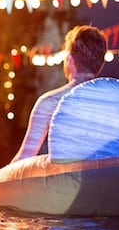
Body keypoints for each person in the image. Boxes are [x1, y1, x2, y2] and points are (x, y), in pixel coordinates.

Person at [11, 25, 107, 162]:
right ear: (100, 64)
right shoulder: (112, 103)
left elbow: (24, 158)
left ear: (70, 60)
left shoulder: (51, 102)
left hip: (63, 182)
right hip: (108, 182)